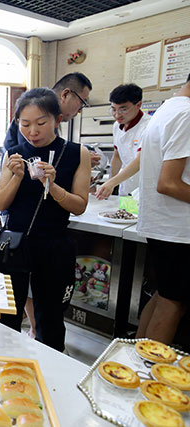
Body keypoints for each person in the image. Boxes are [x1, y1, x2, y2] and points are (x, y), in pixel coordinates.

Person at [0, 88, 91, 352]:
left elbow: (80, 205)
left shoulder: (76, 153)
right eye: (25, 124)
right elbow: (1, 203)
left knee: (51, 318)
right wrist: (15, 176)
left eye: (41, 123)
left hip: (53, 246)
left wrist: (53, 185)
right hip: (13, 245)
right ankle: (5, 364)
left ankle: (50, 376)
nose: (33, 132)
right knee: (6, 314)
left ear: (58, 120)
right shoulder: (13, 153)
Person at [135, 75, 190, 344]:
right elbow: (168, 183)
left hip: (164, 226)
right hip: (177, 229)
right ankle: (152, 379)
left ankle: (135, 362)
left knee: (164, 294)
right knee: (173, 303)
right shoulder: (187, 114)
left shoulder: (168, 109)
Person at [3, 73, 93, 151]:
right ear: (65, 95)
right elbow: (33, 157)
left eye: (41, 123)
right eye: (81, 102)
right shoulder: (35, 112)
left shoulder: (51, 117)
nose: (80, 110)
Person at [95, 84, 151, 199]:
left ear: (138, 105)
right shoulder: (117, 126)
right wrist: (111, 182)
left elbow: (140, 161)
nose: (117, 115)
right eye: (113, 109)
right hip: (126, 186)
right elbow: (117, 156)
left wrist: (112, 183)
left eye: (123, 109)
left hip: (143, 188)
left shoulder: (148, 126)